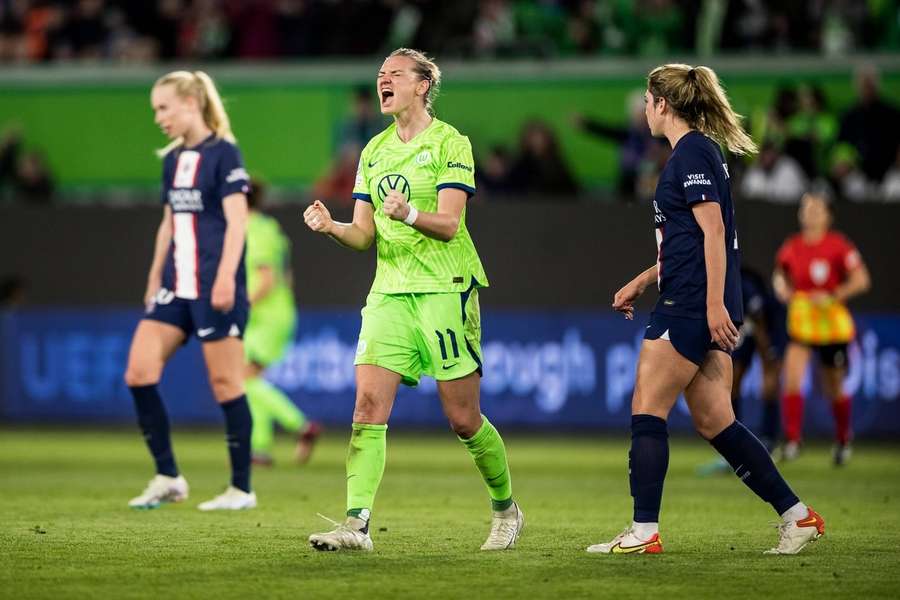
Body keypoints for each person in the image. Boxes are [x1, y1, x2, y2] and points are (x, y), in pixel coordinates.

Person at [588, 64, 824, 556]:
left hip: (692, 305)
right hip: (697, 298)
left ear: (662, 105)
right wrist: (642, 279)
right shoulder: (698, 152)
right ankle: (798, 516)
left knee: (646, 408)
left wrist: (715, 304)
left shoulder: (691, 151)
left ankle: (644, 530)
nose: (646, 112)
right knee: (716, 421)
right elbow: (686, 240)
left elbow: (714, 232)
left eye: (649, 103)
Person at [303, 48, 523, 552]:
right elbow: (363, 236)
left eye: (395, 73)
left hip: (446, 286)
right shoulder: (373, 151)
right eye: (379, 73)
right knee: (366, 405)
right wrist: (331, 227)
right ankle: (356, 525)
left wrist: (406, 215)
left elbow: (450, 224)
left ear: (423, 85)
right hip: (389, 291)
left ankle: (506, 509)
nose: (383, 79)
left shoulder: (451, 143)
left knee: (463, 418)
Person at [123, 70, 256, 511]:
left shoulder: (224, 153)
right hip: (174, 288)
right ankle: (168, 476)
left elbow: (238, 221)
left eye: (164, 107)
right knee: (139, 373)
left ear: (191, 103)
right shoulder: (171, 160)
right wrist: (151, 278)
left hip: (214, 285)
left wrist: (224, 278)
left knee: (225, 383)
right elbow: (169, 223)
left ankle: (241, 488)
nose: (158, 117)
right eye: (154, 110)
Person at [773, 191, 871, 465]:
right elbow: (780, 274)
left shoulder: (839, 245)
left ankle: (842, 440)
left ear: (828, 216)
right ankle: (792, 441)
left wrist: (833, 295)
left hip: (830, 322)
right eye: (806, 208)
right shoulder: (792, 246)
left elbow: (862, 280)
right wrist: (782, 287)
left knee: (834, 385)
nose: (810, 213)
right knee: (792, 377)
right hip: (802, 320)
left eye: (816, 209)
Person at [244, 179, 321, 466]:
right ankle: (259, 449)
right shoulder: (271, 230)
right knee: (251, 381)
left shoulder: (253, 232)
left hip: (264, 315)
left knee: (242, 379)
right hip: (274, 312)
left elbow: (266, 278)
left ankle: (300, 426)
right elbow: (287, 277)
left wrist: (243, 306)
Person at [697, 266, 786, 475]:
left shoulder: (738, 281)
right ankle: (734, 448)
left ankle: (769, 441)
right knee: (732, 384)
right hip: (742, 328)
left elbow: (759, 313)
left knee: (769, 385)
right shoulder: (704, 279)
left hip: (768, 326)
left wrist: (767, 350)